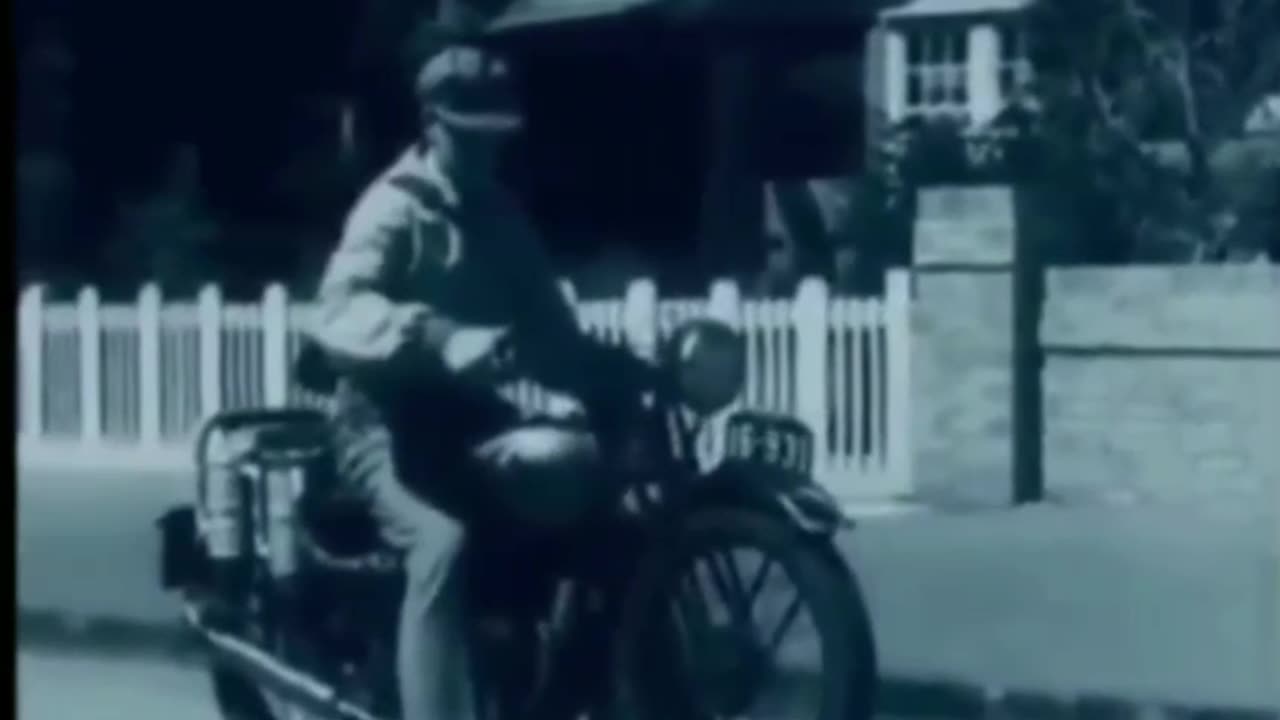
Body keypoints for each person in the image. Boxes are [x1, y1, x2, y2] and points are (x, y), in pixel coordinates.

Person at [305, 44, 642, 720]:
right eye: (469, 137)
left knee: (603, 519)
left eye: (496, 139)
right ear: (432, 125)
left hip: (470, 420)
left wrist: (626, 368)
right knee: (442, 545)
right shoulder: (394, 208)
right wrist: (435, 335)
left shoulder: (500, 217)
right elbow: (338, 310)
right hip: (381, 422)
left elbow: (550, 329)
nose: (486, 154)